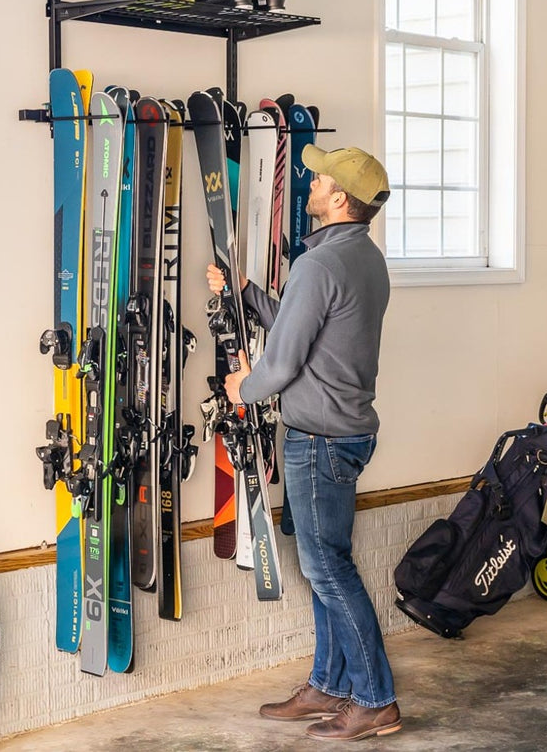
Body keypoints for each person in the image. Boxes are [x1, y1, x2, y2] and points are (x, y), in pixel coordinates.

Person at [206, 144, 399, 742]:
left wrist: (246, 386)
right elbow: (301, 324)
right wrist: (245, 291)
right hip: (343, 432)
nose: (309, 184)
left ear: (339, 199)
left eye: (318, 180)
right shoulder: (363, 258)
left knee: (327, 568)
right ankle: (330, 684)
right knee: (324, 568)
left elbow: (284, 360)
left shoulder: (320, 265)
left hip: (319, 439)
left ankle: (375, 699)